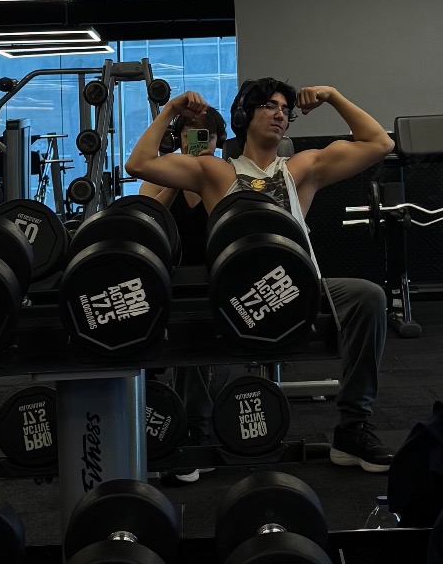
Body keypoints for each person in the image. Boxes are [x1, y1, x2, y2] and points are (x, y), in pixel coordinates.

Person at [126, 77, 395, 473]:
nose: (279, 114)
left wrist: (333, 96)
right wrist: (170, 111)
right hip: (237, 294)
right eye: (269, 106)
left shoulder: (302, 168)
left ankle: (353, 428)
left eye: (284, 109)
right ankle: (196, 432)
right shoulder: (216, 171)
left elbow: (380, 144)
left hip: (297, 289)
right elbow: (138, 164)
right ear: (244, 115)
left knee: (368, 296)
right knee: (191, 303)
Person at [138, 104, 228, 483]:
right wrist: (177, 179)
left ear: (218, 140)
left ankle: (197, 429)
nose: (198, 139)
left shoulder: (225, 176)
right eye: (190, 131)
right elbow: (145, 218)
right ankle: (154, 428)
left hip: (212, 282)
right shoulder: (161, 172)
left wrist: (203, 175)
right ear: (179, 138)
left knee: (197, 334)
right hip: (166, 279)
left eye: (205, 133)